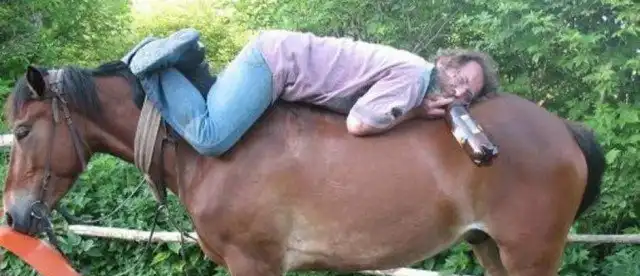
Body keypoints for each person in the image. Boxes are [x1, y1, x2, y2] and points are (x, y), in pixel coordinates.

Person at [124, 28, 499, 157]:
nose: (459, 90)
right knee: (211, 137)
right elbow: (359, 124)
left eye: (468, 94)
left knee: (210, 104)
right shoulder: (415, 78)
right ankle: (154, 63)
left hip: (276, 54)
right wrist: (415, 114)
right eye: (461, 77)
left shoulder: (412, 71)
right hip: (276, 64)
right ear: (445, 63)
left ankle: (190, 59)